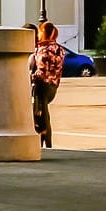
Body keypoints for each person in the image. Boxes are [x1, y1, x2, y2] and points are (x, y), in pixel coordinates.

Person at [29, 20, 65, 149]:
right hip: (53, 87)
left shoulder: (42, 49)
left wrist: (29, 77)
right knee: (44, 114)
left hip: (41, 85)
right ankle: (47, 143)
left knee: (40, 115)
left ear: (43, 32)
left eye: (39, 32)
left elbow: (41, 71)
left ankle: (42, 142)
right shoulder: (60, 49)